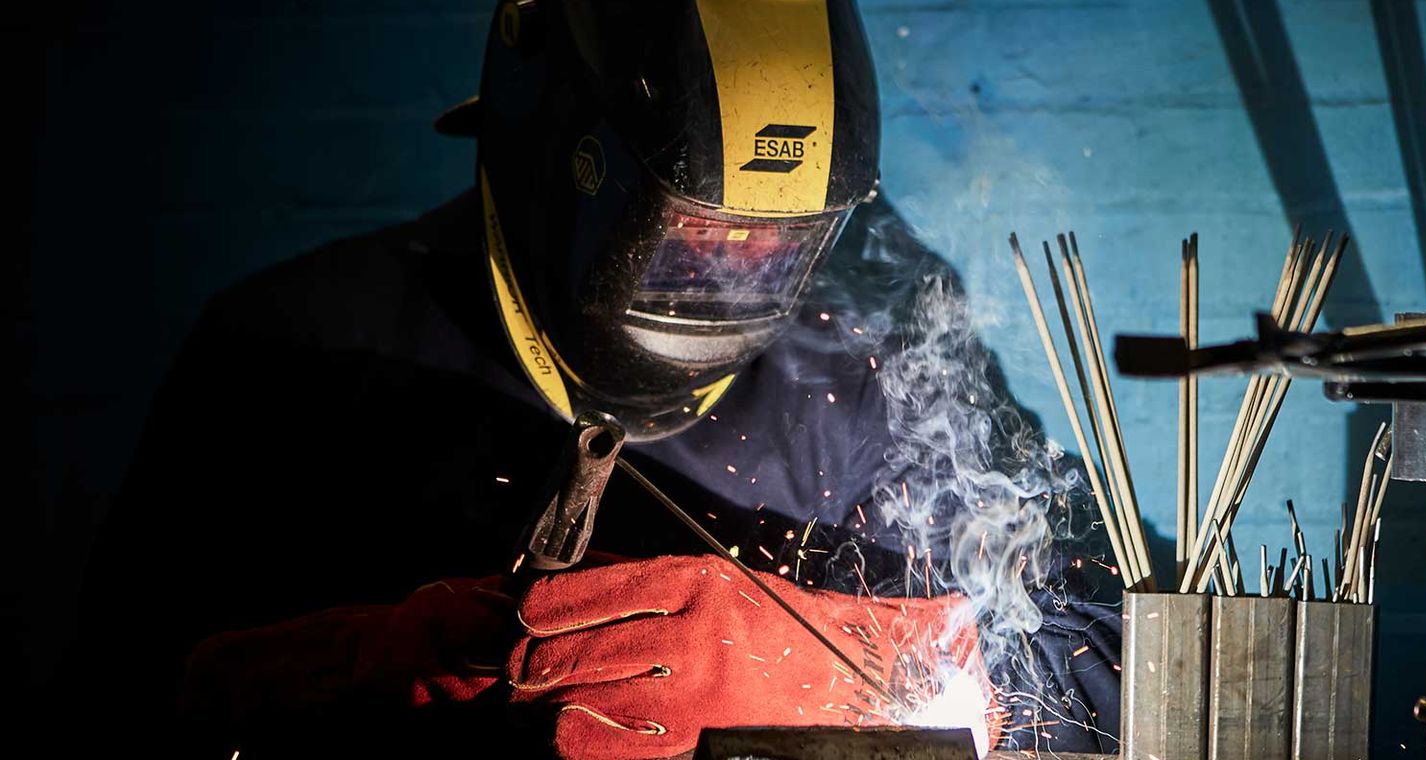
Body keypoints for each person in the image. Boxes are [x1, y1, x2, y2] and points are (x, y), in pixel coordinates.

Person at [68, 1, 1122, 757]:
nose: (737, 276)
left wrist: (859, 671)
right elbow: (114, 698)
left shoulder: (871, 375)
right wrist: (353, 673)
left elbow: (1119, 657)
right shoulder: (298, 359)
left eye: (779, 245)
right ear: (562, 158)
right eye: (695, 236)